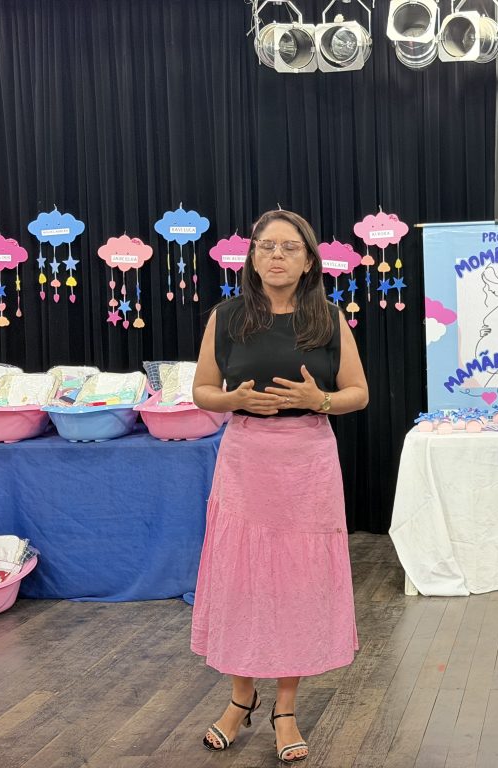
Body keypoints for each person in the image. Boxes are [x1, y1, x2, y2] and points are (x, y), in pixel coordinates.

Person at [190, 209, 369, 763]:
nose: (276, 256)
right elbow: (202, 390)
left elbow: (358, 393)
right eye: (266, 246)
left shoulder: (328, 319)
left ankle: (285, 709)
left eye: (290, 247)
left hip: (308, 460)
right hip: (246, 458)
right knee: (242, 579)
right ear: (252, 257)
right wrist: (233, 399)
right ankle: (240, 699)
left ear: (309, 261)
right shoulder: (226, 316)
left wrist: (319, 400)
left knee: (297, 584)